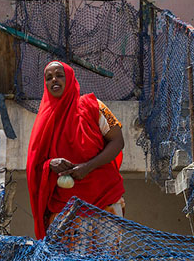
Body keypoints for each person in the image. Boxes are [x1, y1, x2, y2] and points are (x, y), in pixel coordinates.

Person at [26, 61, 126, 239]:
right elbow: (35, 167)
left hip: (105, 201)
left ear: (70, 79)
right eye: (49, 78)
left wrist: (88, 167)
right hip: (66, 210)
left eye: (59, 75)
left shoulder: (94, 107)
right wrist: (51, 164)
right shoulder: (43, 122)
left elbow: (117, 141)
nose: (54, 80)